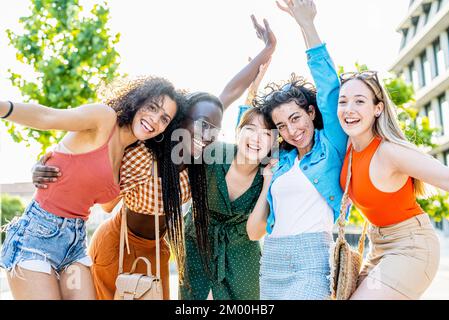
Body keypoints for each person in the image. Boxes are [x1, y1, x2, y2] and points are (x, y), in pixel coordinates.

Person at [31, 15, 276, 300]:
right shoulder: (144, 155)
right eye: (198, 125)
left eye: (213, 129)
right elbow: (99, 188)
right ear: (179, 121)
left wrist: (268, 49)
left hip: (158, 249)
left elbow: (229, 91)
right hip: (119, 244)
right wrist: (49, 167)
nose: (205, 134)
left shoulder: (201, 160)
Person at [0, 76, 181, 299]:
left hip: (75, 242)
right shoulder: (104, 119)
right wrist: (3, 108)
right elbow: (47, 117)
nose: (154, 119)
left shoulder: (131, 154)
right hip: (37, 236)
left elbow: (106, 205)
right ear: (137, 100)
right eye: (152, 107)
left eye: (164, 118)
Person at [247, 0, 347, 300]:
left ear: (311, 114)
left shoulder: (331, 148)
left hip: (314, 261)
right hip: (274, 257)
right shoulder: (281, 160)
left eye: (296, 118)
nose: (291, 131)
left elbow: (330, 89)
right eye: (281, 126)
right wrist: (254, 87)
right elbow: (247, 133)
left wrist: (307, 24)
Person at [180, 18, 276, 298]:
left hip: (242, 256)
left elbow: (256, 231)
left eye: (266, 134)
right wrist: (262, 63)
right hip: (196, 241)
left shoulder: (270, 174)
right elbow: (232, 102)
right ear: (237, 132)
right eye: (249, 130)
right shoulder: (213, 153)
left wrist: (269, 181)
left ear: (274, 143)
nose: (256, 138)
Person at [338, 71, 449, 300]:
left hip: (412, 247)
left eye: (360, 101)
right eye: (343, 101)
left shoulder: (389, 152)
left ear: (378, 108)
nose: (349, 108)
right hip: (378, 247)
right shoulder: (348, 147)